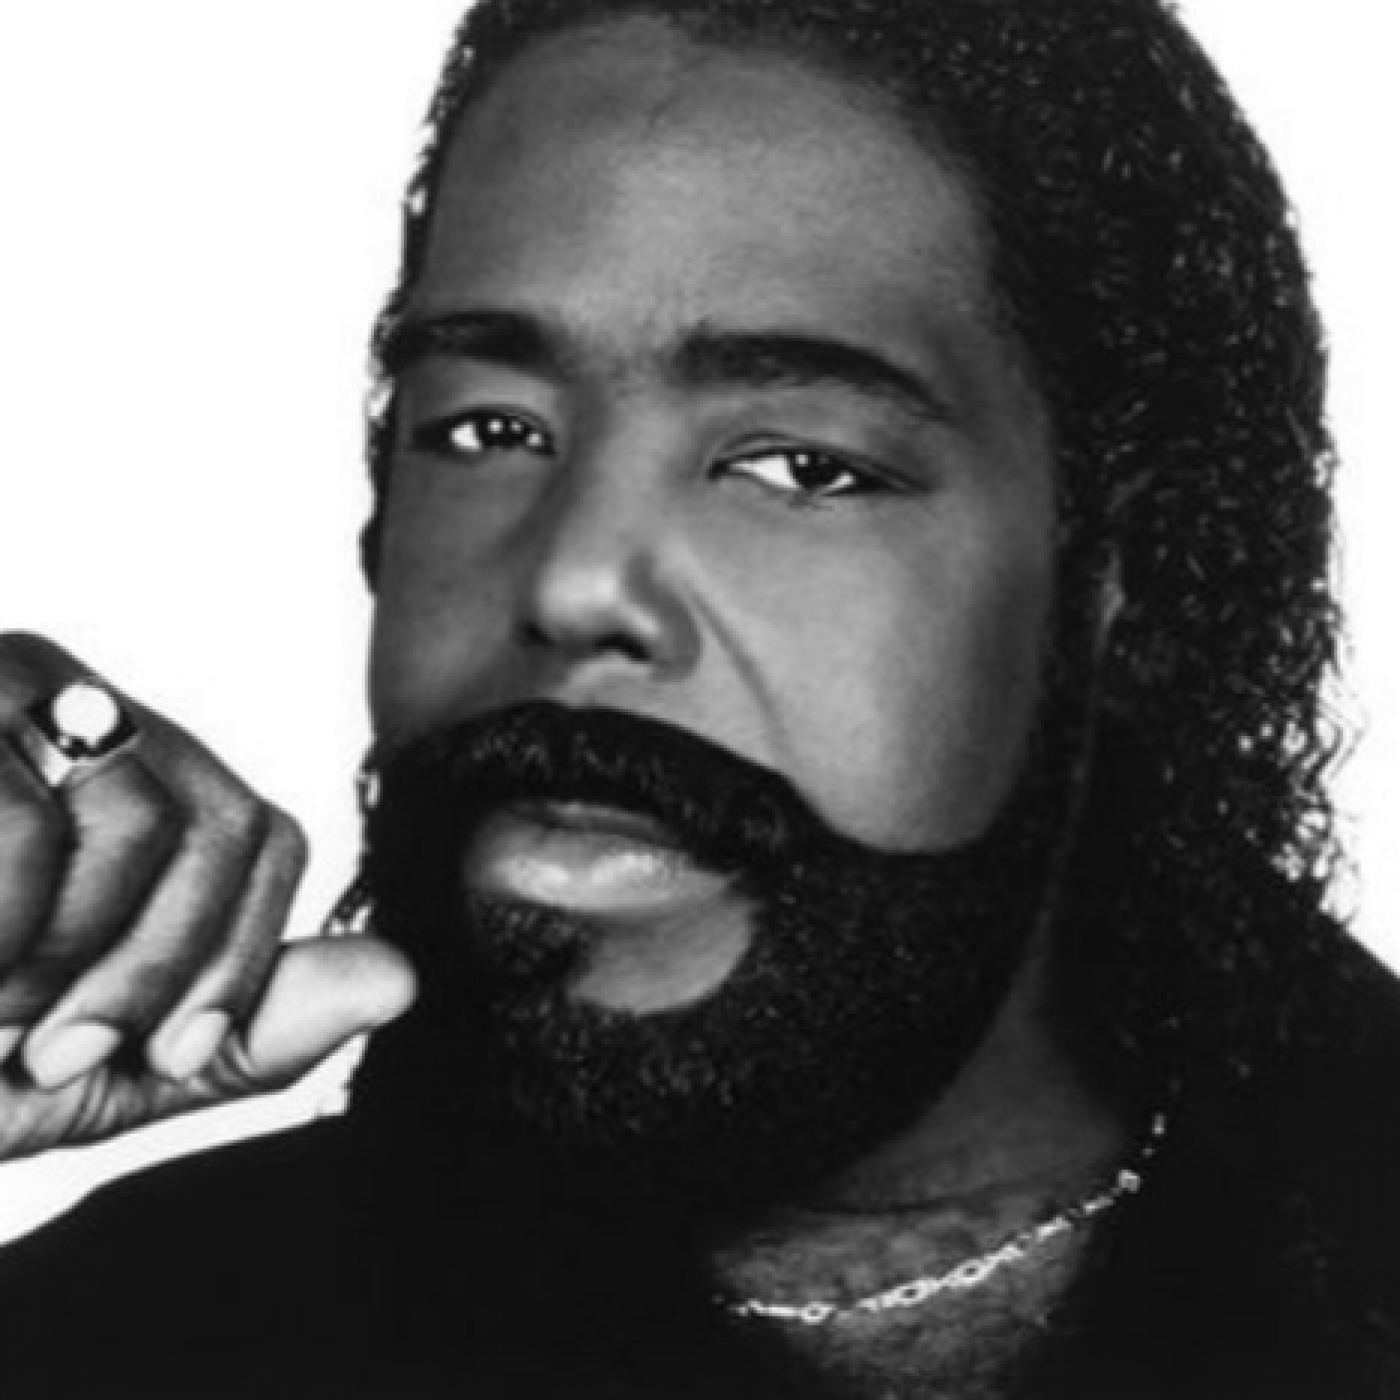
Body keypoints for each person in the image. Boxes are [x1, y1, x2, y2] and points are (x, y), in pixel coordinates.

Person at [0, 1, 1397, 1396]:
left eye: (803, 467)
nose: (574, 583)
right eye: (490, 430)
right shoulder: (107, 1339)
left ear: (1130, 573)